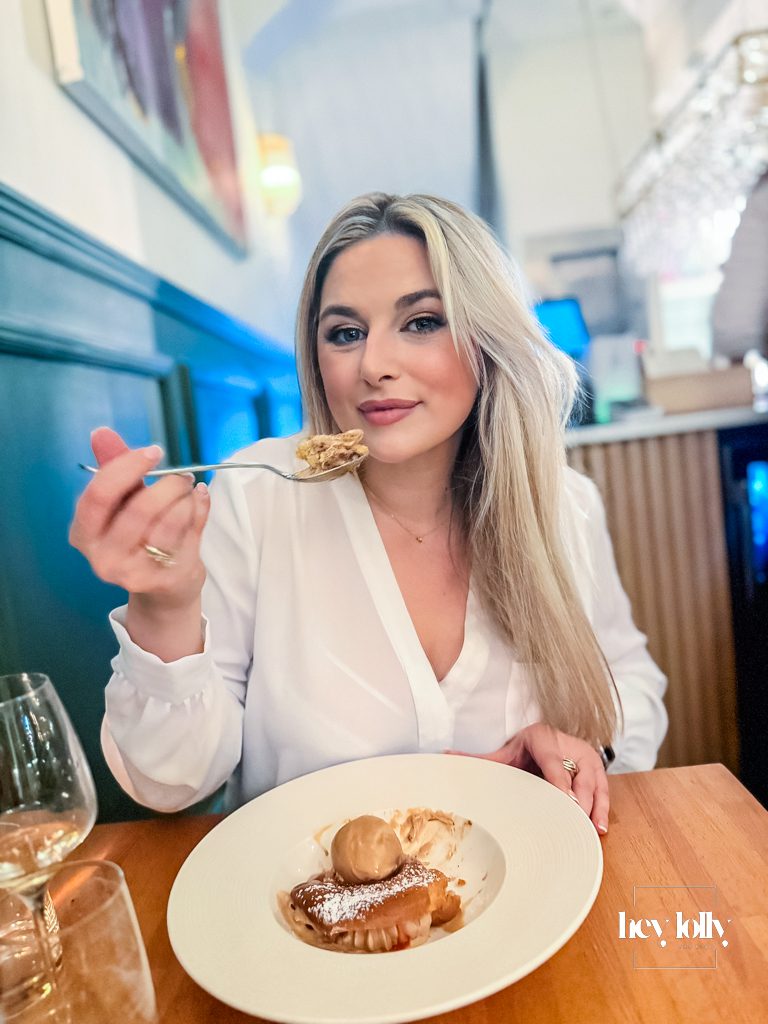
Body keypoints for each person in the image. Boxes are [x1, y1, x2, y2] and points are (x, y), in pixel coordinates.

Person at [69, 192, 668, 836]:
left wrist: (586, 753)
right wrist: (165, 606)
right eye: (345, 333)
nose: (374, 367)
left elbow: (630, 677)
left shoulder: (565, 506)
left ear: (487, 340)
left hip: (529, 893)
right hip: (299, 917)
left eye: (422, 322)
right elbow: (171, 780)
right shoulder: (255, 498)